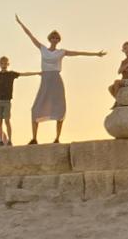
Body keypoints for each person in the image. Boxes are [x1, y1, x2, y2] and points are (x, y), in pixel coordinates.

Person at [15, 14, 104, 143]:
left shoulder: (61, 52)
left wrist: (96, 54)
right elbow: (31, 36)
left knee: (59, 109)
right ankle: (34, 138)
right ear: (49, 38)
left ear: (58, 40)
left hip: (56, 80)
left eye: (57, 38)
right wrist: (20, 23)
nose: (54, 39)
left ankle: (57, 138)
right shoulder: (43, 49)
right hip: (45, 80)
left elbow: (78, 53)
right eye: (53, 37)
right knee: (36, 108)